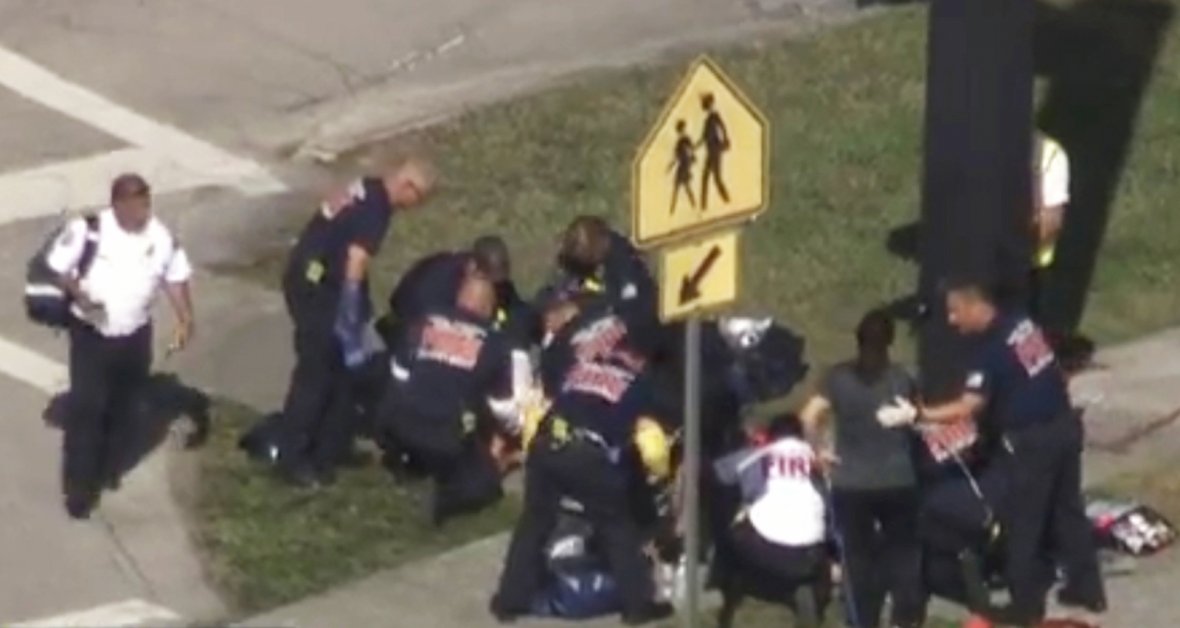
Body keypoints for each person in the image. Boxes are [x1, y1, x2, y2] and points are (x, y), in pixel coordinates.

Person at [918, 279, 1106, 627]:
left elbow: (968, 406)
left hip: (1031, 441)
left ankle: (1024, 606)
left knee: (1024, 522)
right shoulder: (1020, 323)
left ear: (975, 307)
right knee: (1067, 510)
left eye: (955, 312)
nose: (952, 321)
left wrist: (920, 414)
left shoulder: (987, 350)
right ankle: (1086, 588)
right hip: (1062, 425)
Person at [276, 158, 436, 488]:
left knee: (343, 373)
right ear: (408, 187)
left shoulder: (369, 188)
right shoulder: (376, 209)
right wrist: (350, 311)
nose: (413, 207)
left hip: (311, 276)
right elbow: (355, 259)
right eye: (417, 199)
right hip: (317, 290)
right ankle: (293, 457)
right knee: (316, 372)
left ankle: (332, 444)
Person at [44, 173, 195, 519]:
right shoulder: (88, 230)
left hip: (135, 336)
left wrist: (185, 318)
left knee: (126, 408)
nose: (141, 211)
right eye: (133, 204)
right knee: (88, 411)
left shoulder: (161, 237)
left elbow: (174, 277)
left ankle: (107, 467)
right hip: (92, 336)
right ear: (117, 205)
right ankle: (79, 490)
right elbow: (57, 268)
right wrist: (81, 295)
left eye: (145, 202)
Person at [491, 346, 674, 625]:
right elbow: (651, 444)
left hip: (546, 442)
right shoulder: (641, 385)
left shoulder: (581, 369)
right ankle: (638, 605)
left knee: (534, 521)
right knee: (616, 525)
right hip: (586, 452)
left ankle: (509, 600)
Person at [798, 309, 926, 628]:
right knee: (903, 553)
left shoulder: (838, 377)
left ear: (858, 340)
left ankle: (862, 620)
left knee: (857, 559)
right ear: (890, 342)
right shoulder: (902, 377)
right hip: (899, 479)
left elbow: (808, 416)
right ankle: (905, 616)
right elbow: (918, 417)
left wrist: (819, 451)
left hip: (851, 482)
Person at [381, 275, 516, 524]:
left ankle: (406, 464)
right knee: (486, 483)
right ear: (489, 308)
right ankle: (441, 500)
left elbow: (398, 374)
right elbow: (504, 408)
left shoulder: (424, 320)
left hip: (397, 423)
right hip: (443, 434)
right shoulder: (496, 344)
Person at [713, 414, 832, 628]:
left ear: (771, 436)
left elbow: (719, 473)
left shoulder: (760, 455)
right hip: (812, 552)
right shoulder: (817, 459)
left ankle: (728, 589)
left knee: (731, 532)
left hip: (767, 548)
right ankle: (807, 593)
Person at [552, 215, 657, 334]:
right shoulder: (608, 260)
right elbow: (598, 287)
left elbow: (625, 303)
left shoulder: (624, 264)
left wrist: (581, 308)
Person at [1030, 132, 1069, 324]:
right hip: (982, 270)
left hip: (1030, 270)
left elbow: (1051, 223)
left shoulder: (1049, 154)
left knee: (1026, 342)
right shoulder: (981, 147)